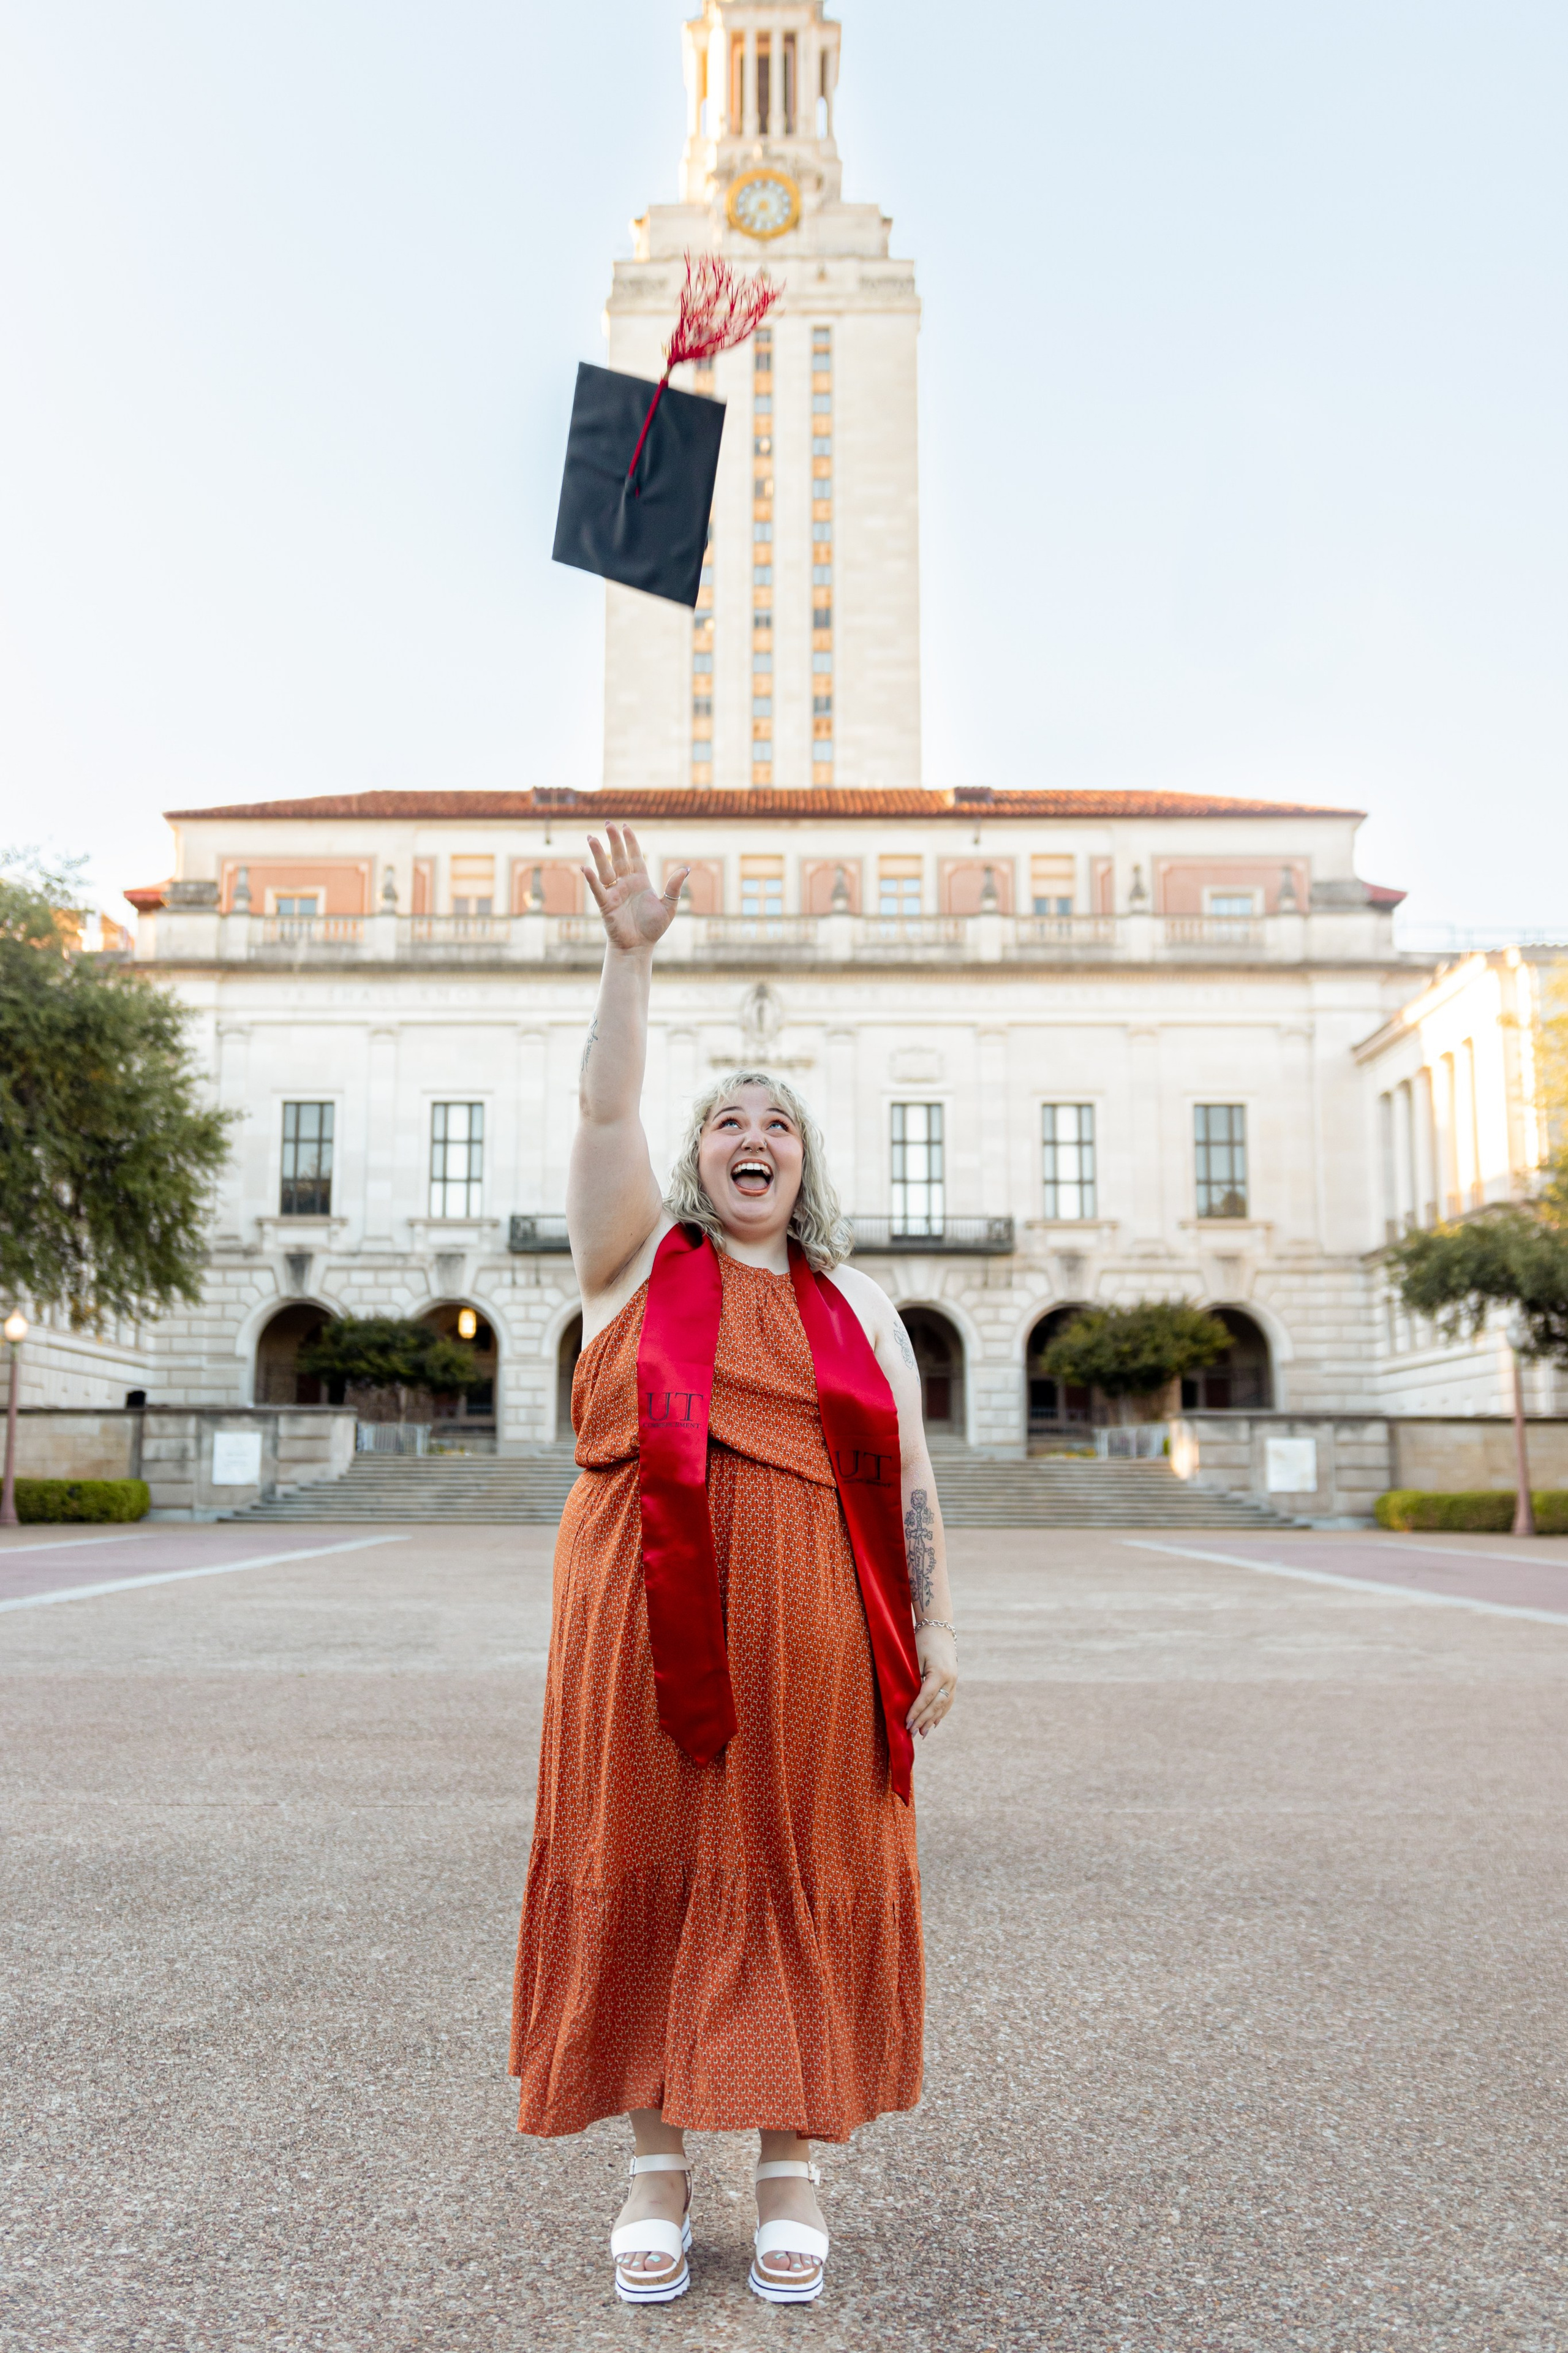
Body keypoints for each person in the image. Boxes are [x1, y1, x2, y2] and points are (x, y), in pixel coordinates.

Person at [508, 823, 959, 2306]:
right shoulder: (636, 1263)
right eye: (725, 1120)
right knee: (643, 1858)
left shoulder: (859, 1308)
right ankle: (651, 2165)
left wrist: (937, 1630)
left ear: (802, 1162)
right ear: (698, 1159)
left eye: (775, 1120)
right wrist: (626, 957)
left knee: (793, 1869)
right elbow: (600, 1103)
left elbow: (913, 1490)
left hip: (819, 1650)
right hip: (636, 1637)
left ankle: (788, 2165)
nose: (749, 1132)